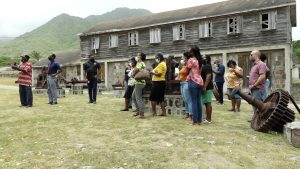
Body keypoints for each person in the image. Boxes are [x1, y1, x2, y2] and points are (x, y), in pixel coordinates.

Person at [186, 46, 204, 125]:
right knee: (198, 101)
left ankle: (195, 121)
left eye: (190, 51)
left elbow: (187, 69)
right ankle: (199, 120)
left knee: (194, 101)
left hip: (192, 80)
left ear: (193, 52)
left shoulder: (191, 60)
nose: (189, 52)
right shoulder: (199, 60)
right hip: (199, 81)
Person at [132, 52, 147, 119]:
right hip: (138, 82)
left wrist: (132, 72)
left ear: (141, 57)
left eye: (138, 55)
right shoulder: (139, 63)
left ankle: (141, 114)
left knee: (138, 98)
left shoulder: (140, 63)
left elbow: (135, 71)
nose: (137, 56)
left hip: (139, 83)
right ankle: (138, 111)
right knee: (133, 97)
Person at [179, 52, 192, 121]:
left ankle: (190, 115)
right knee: (185, 100)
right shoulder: (184, 65)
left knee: (188, 100)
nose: (182, 58)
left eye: (183, 57)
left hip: (186, 82)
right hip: (182, 83)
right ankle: (187, 114)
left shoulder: (188, 65)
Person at [201, 55, 213, 123]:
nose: (202, 58)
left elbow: (208, 76)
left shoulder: (207, 66)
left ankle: (209, 119)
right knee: (206, 103)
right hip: (205, 86)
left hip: (207, 87)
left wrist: (205, 86)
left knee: (208, 103)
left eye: (204, 57)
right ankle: (206, 118)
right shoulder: (205, 66)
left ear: (207, 59)